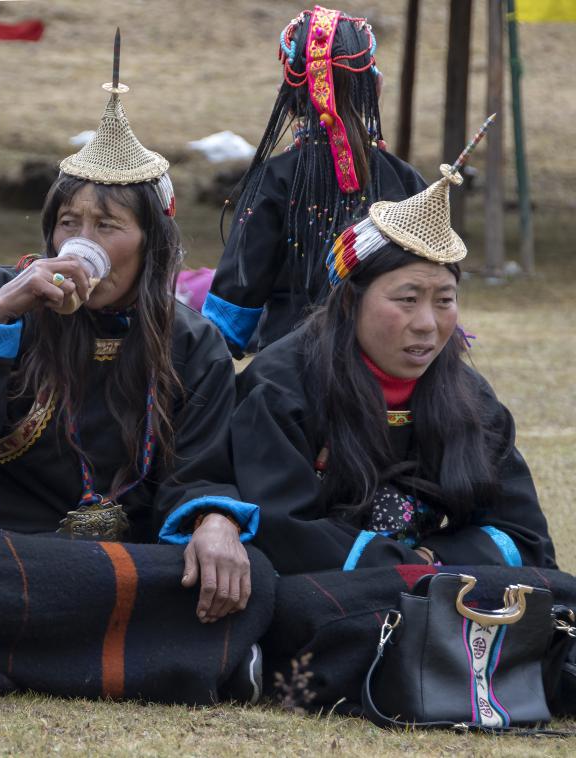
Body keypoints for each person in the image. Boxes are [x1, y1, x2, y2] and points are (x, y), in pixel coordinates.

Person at [0, 44, 275, 706]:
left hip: (123, 552)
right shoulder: (1, 296)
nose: (79, 241)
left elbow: (199, 469)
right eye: (68, 223)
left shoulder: (189, 339)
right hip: (5, 541)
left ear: (150, 245)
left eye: (107, 226)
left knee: (252, 574)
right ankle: (176, 665)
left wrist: (215, 520)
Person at [231, 136, 565, 707]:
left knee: (560, 594)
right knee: (295, 605)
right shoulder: (281, 384)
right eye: (407, 298)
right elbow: (278, 525)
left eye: (444, 299)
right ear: (350, 300)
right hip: (336, 587)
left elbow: (525, 538)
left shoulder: (471, 400)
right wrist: (401, 567)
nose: (428, 325)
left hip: (442, 579)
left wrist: (429, 568)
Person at [204, 5, 426, 357]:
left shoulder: (272, 181)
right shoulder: (408, 182)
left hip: (288, 378)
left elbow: (229, 317)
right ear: (377, 87)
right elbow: (435, 297)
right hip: (387, 380)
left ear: (288, 98)